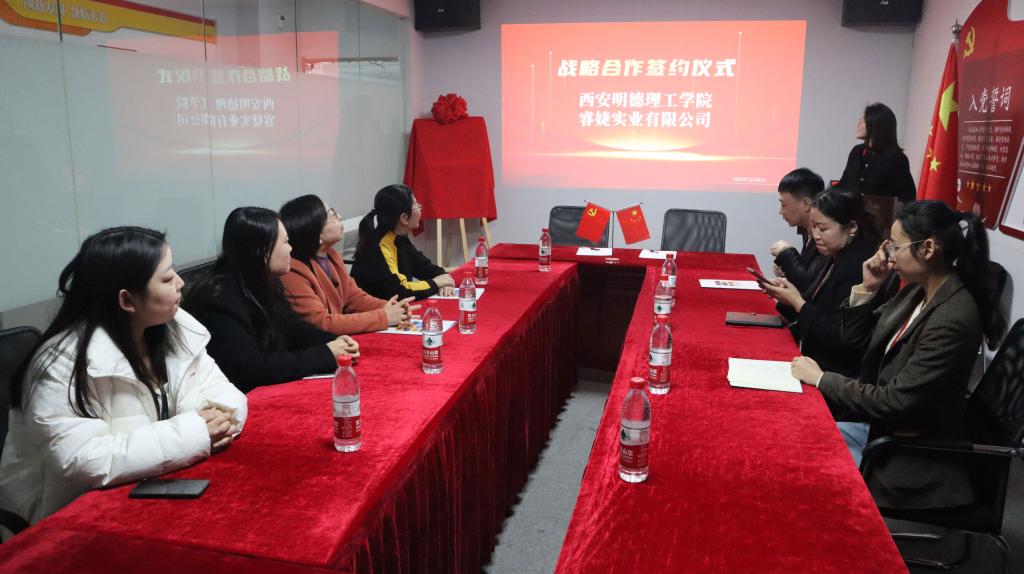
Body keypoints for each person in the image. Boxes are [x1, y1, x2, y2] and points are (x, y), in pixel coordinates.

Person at [0, 227, 247, 525]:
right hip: (70, 518)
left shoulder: (175, 326)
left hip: (152, 489)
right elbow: (82, 460)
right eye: (167, 278)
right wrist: (195, 433)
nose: (181, 282)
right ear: (127, 300)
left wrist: (219, 419)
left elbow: (220, 388)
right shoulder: (61, 363)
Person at [790, 200, 1005, 509]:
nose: (888, 255)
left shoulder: (953, 317)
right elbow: (856, 340)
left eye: (895, 246)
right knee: (794, 438)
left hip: (909, 455)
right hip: (882, 432)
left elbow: (893, 401)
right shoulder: (919, 290)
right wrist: (868, 288)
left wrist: (823, 379)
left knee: (801, 470)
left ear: (927, 249)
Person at [184, 207, 359, 392]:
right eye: (286, 242)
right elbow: (252, 369)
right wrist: (325, 354)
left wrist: (337, 341)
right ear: (263, 251)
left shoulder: (266, 280)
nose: (291, 249)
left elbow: (294, 328)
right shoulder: (218, 299)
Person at [762, 188, 878, 379]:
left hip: (833, 372)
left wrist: (797, 301)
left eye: (823, 229)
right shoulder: (836, 253)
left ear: (852, 228)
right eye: (813, 226)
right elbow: (817, 306)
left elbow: (837, 335)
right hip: (814, 359)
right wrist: (788, 298)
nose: (816, 235)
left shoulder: (859, 265)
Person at [279, 194, 418, 335]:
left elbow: (353, 297)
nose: (340, 216)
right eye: (332, 216)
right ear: (316, 233)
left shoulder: (332, 255)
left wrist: (390, 307)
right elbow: (322, 323)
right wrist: (384, 316)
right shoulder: (292, 271)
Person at [351, 184, 456, 300]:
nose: (420, 208)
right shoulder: (379, 246)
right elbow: (399, 291)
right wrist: (436, 283)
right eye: (416, 205)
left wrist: (444, 281)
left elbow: (426, 268)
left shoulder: (399, 238)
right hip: (374, 309)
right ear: (404, 218)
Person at [838, 102, 916, 204]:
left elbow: (907, 198)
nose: (858, 125)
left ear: (875, 124)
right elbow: (843, 185)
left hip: (881, 214)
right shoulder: (856, 151)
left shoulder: (896, 158)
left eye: (862, 122)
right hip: (850, 213)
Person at [769, 167, 828, 292]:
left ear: (806, 204)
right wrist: (786, 270)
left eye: (784, 205)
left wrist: (786, 253)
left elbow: (808, 286)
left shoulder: (825, 236)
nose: (780, 211)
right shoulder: (806, 230)